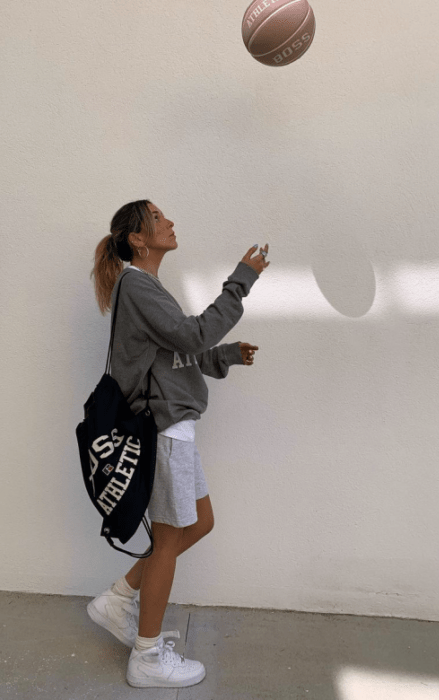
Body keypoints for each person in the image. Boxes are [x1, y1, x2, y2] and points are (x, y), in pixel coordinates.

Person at [87, 199, 269, 688]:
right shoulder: (137, 285)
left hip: (176, 427)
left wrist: (226, 354)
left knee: (201, 522)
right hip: (165, 428)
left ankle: (120, 600)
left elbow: (174, 356)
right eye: (158, 218)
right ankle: (146, 658)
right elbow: (191, 337)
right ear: (138, 239)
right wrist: (241, 280)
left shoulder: (147, 287)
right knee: (167, 541)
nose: (170, 222)